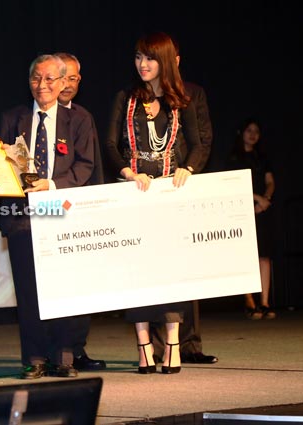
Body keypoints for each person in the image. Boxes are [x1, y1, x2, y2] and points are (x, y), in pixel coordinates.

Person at [105, 32, 211, 374]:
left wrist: (188, 168)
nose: (142, 65)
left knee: (171, 272)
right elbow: (109, 145)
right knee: (137, 274)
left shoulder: (184, 98)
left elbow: (198, 143)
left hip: (169, 198)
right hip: (134, 196)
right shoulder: (125, 97)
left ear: (165, 60)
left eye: (149, 58)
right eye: (137, 57)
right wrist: (126, 172)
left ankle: (174, 345)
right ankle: (143, 346)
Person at [0, 54, 96, 379]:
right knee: (29, 293)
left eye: (50, 79)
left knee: (64, 289)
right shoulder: (13, 118)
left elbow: (85, 166)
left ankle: (63, 358)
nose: (42, 85)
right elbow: (4, 166)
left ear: (64, 82)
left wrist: (51, 185)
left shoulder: (79, 120)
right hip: (24, 218)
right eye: (36, 78)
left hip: (62, 213)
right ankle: (35, 359)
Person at [148, 40, 219, 365]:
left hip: (182, 186)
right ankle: (158, 348)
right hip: (148, 190)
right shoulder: (138, 95)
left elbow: (202, 139)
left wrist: (188, 168)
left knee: (185, 267)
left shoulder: (192, 93)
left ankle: (189, 344)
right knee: (152, 268)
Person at [53, 52, 106, 372]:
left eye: (74, 78)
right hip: (46, 212)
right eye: (63, 77)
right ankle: (55, 350)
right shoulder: (33, 117)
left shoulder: (83, 117)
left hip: (78, 209)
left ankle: (76, 348)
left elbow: (91, 167)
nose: (68, 84)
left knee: (81, 285)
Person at [227, 117, 276, 320]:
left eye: (256, 131)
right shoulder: (234, 157)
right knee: (244, 254)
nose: (253, 134)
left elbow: (270, 181)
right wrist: (256, 198)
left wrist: (266, 199)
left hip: (261, 209)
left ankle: (264, 302)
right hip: (241, 208)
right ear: (242, 133)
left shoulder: (262, 157)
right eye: (249, 130)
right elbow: (233, 183)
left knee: (264, 256)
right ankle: (249, 302)